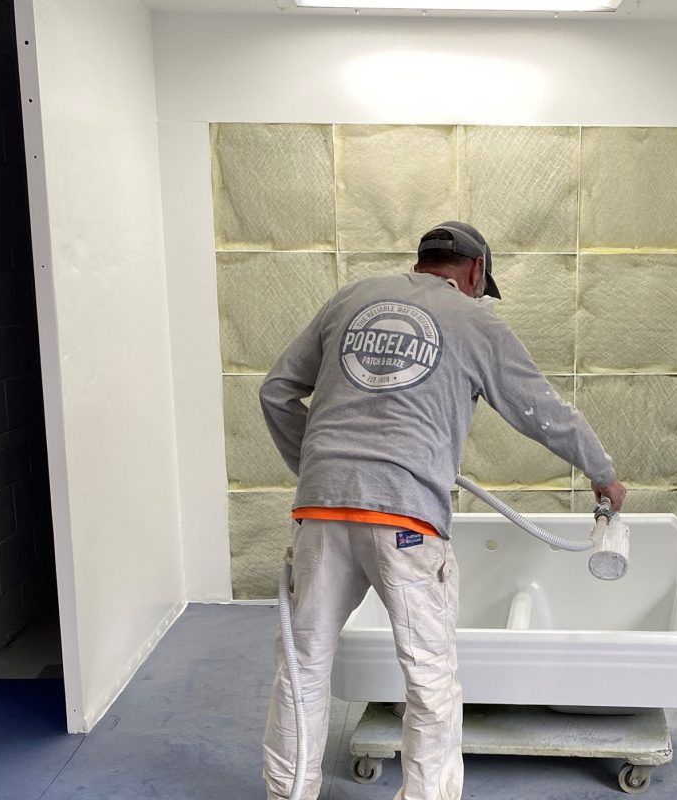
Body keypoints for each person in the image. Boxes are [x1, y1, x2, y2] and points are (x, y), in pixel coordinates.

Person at [259, 220, 627, 800]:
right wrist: (603, 475)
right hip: (405, 521)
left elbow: (276, 390)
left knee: (303, 664)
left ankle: (288, 794)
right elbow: (543, 411)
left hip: (321, 510)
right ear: (476, 271)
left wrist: (319, 466)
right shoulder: (476, 320)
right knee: (428, 676)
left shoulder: (350, 299)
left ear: (423, 259)